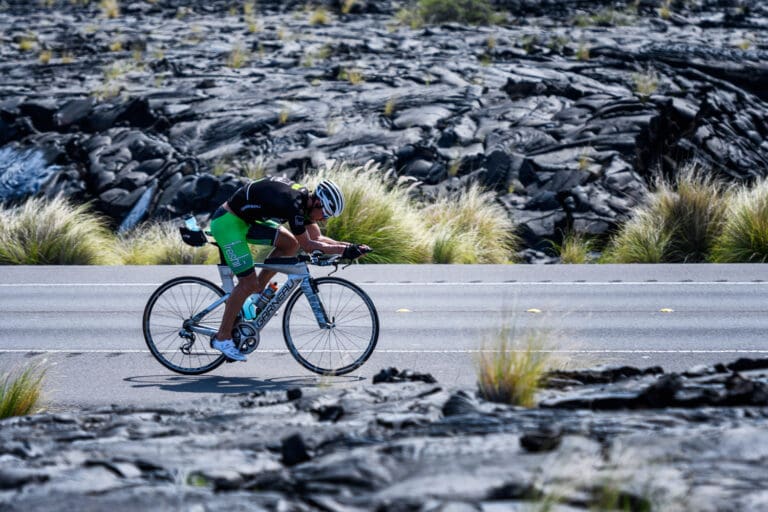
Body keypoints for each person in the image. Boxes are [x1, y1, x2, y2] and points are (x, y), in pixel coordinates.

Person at [208, 176, 370, 361]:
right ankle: (222, 337)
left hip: (248, 220)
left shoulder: (304, 203)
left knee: (290, 244)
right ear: (317, 202)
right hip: (228, 222)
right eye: (325, 214)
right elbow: (309, 245)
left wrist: (350, 246)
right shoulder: (292, 205)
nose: (324, 220)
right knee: (247, 283)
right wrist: (344, 250)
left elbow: (318, 239)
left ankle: (258, 290)